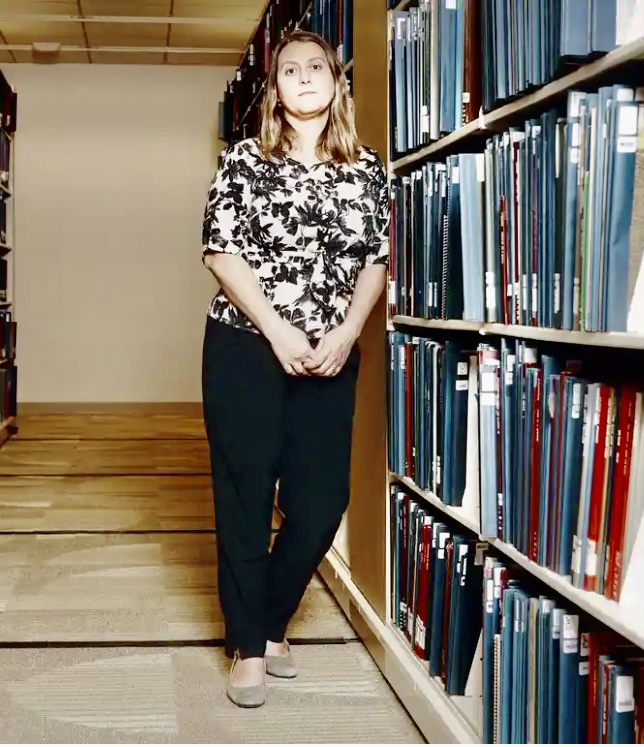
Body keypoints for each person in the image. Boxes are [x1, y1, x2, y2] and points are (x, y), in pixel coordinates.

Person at [200, 29, 390, 708]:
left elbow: (376, 260)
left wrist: (347, 331)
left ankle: (271, 619)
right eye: (289, 69)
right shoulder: (245, 159)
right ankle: (249, 646)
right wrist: (277, 330)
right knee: (246, 496)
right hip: (246, 346)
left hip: (332, 350)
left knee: (320, 503)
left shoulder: (368, 168)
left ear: (337, 82)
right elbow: (220, 251)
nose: (304, 76)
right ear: (275, 89)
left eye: (316, 67)